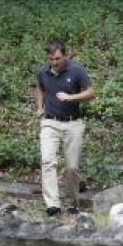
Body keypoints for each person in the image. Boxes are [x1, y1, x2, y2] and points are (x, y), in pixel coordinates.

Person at [35, 40, 96, 217]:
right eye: (51, 59)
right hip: (49, 123)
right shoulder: (43, 72)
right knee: (47, 161)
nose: (54, 62)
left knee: (72, 167)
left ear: (65, 56)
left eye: (58, 59)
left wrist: (71, 97)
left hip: (72, 123)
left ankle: (72, 202)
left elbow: (91, 93)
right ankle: (52, 204)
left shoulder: (77, 71)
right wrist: (39, 107)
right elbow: (40, 89)